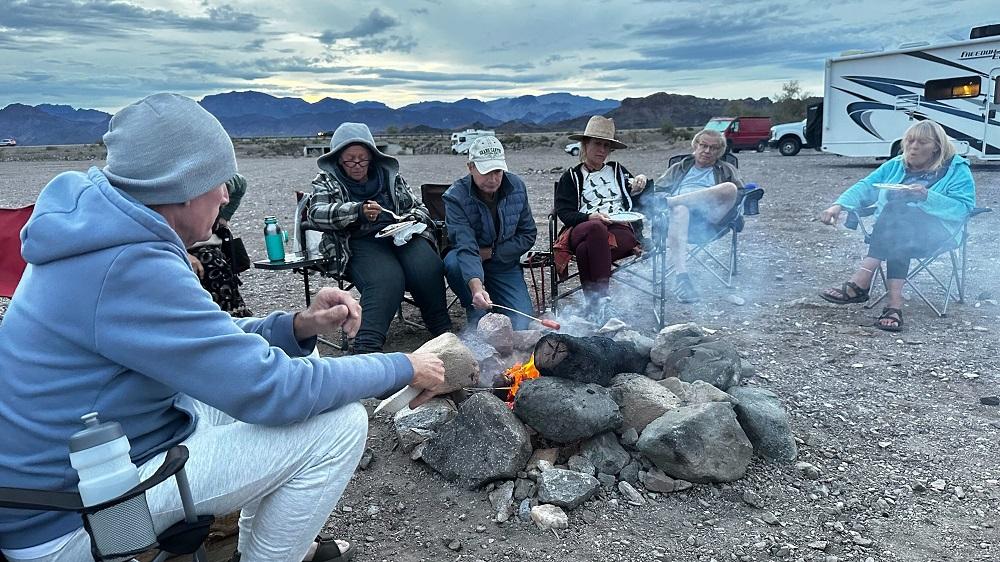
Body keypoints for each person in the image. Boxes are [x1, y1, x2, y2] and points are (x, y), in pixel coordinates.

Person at [0, 93, 445, 562]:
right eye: (218, 182)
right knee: (339, 424)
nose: (226, 196)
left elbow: (207, 337)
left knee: (303, 355)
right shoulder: (127, 265)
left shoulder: (106, 235)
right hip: (72, 518)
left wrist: (297, 325)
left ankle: (249, 544)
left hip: (111, 451)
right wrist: (402, 365)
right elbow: (273, 389)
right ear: (183, 185)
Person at [308, 122, 452, 353]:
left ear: (372, 157)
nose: (357, 165)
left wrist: (410, 219)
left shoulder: (389, 176)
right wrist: (357, 211)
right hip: (356, 241)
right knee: (386, 278)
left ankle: (443, 331)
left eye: (362, 159)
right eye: (350, 160)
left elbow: (419, 208)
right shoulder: (326, 180)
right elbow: (316, 214)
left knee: (427, 266)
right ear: (338, 159)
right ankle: (367, 347)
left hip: (400, 235)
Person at [818, 120, 975, 331]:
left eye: (922, 142)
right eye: (909, 141)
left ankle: (861, 282)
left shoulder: (956, 170)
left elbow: (963, 208)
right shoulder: (896, 164)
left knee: (897, 212)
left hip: (937, 235)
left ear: (937, 147)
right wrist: (838, 206)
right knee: (898, 220)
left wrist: (927, 196)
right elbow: (866, 186)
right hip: (894, 234)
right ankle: (893, 306)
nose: (913, 147)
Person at [553, 116, 648, 320]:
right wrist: (589, 216)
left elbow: (642, 201)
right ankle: (603, 301)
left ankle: (593, 307)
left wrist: (641, 184)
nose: (602, 150)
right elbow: (565, 213)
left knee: (584, 250)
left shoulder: (618, 171)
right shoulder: (571, 177)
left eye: (606, 146)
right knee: (596, 227)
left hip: (619, 228)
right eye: (597, 143)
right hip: (583, 227)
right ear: (585, 145)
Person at [443, 136, 537, 330]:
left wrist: (493, 252)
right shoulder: (456, 197)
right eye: (486, 172)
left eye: (497, 171)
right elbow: (465, 245)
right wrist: (477, 288)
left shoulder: (516, 187)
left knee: (522, 322)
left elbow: (528, 234)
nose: (493, 179)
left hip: (503, 263)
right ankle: (476, 309)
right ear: (471, 167)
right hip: (468, 261)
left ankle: (494, 301)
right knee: (453, 263)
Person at [653, 128, 743, 303]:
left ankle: (674, 201)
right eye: (703, 145)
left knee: (730, 188)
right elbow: (657, 191)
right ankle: (682, 278)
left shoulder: (726, 169)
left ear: (719, 151)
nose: (707, 151)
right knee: (680, 209)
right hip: (681, 220)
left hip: (711, 219)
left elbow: (739, 193)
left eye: (713, 148)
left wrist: (672, 200)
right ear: (695, 146)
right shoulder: (679, 168)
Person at [187, 173, 253, 317]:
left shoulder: (216, 180)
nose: (225, 199)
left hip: (212, 253)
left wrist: (224, 217)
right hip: (184, 253)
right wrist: (182, 253)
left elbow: (240, 183)